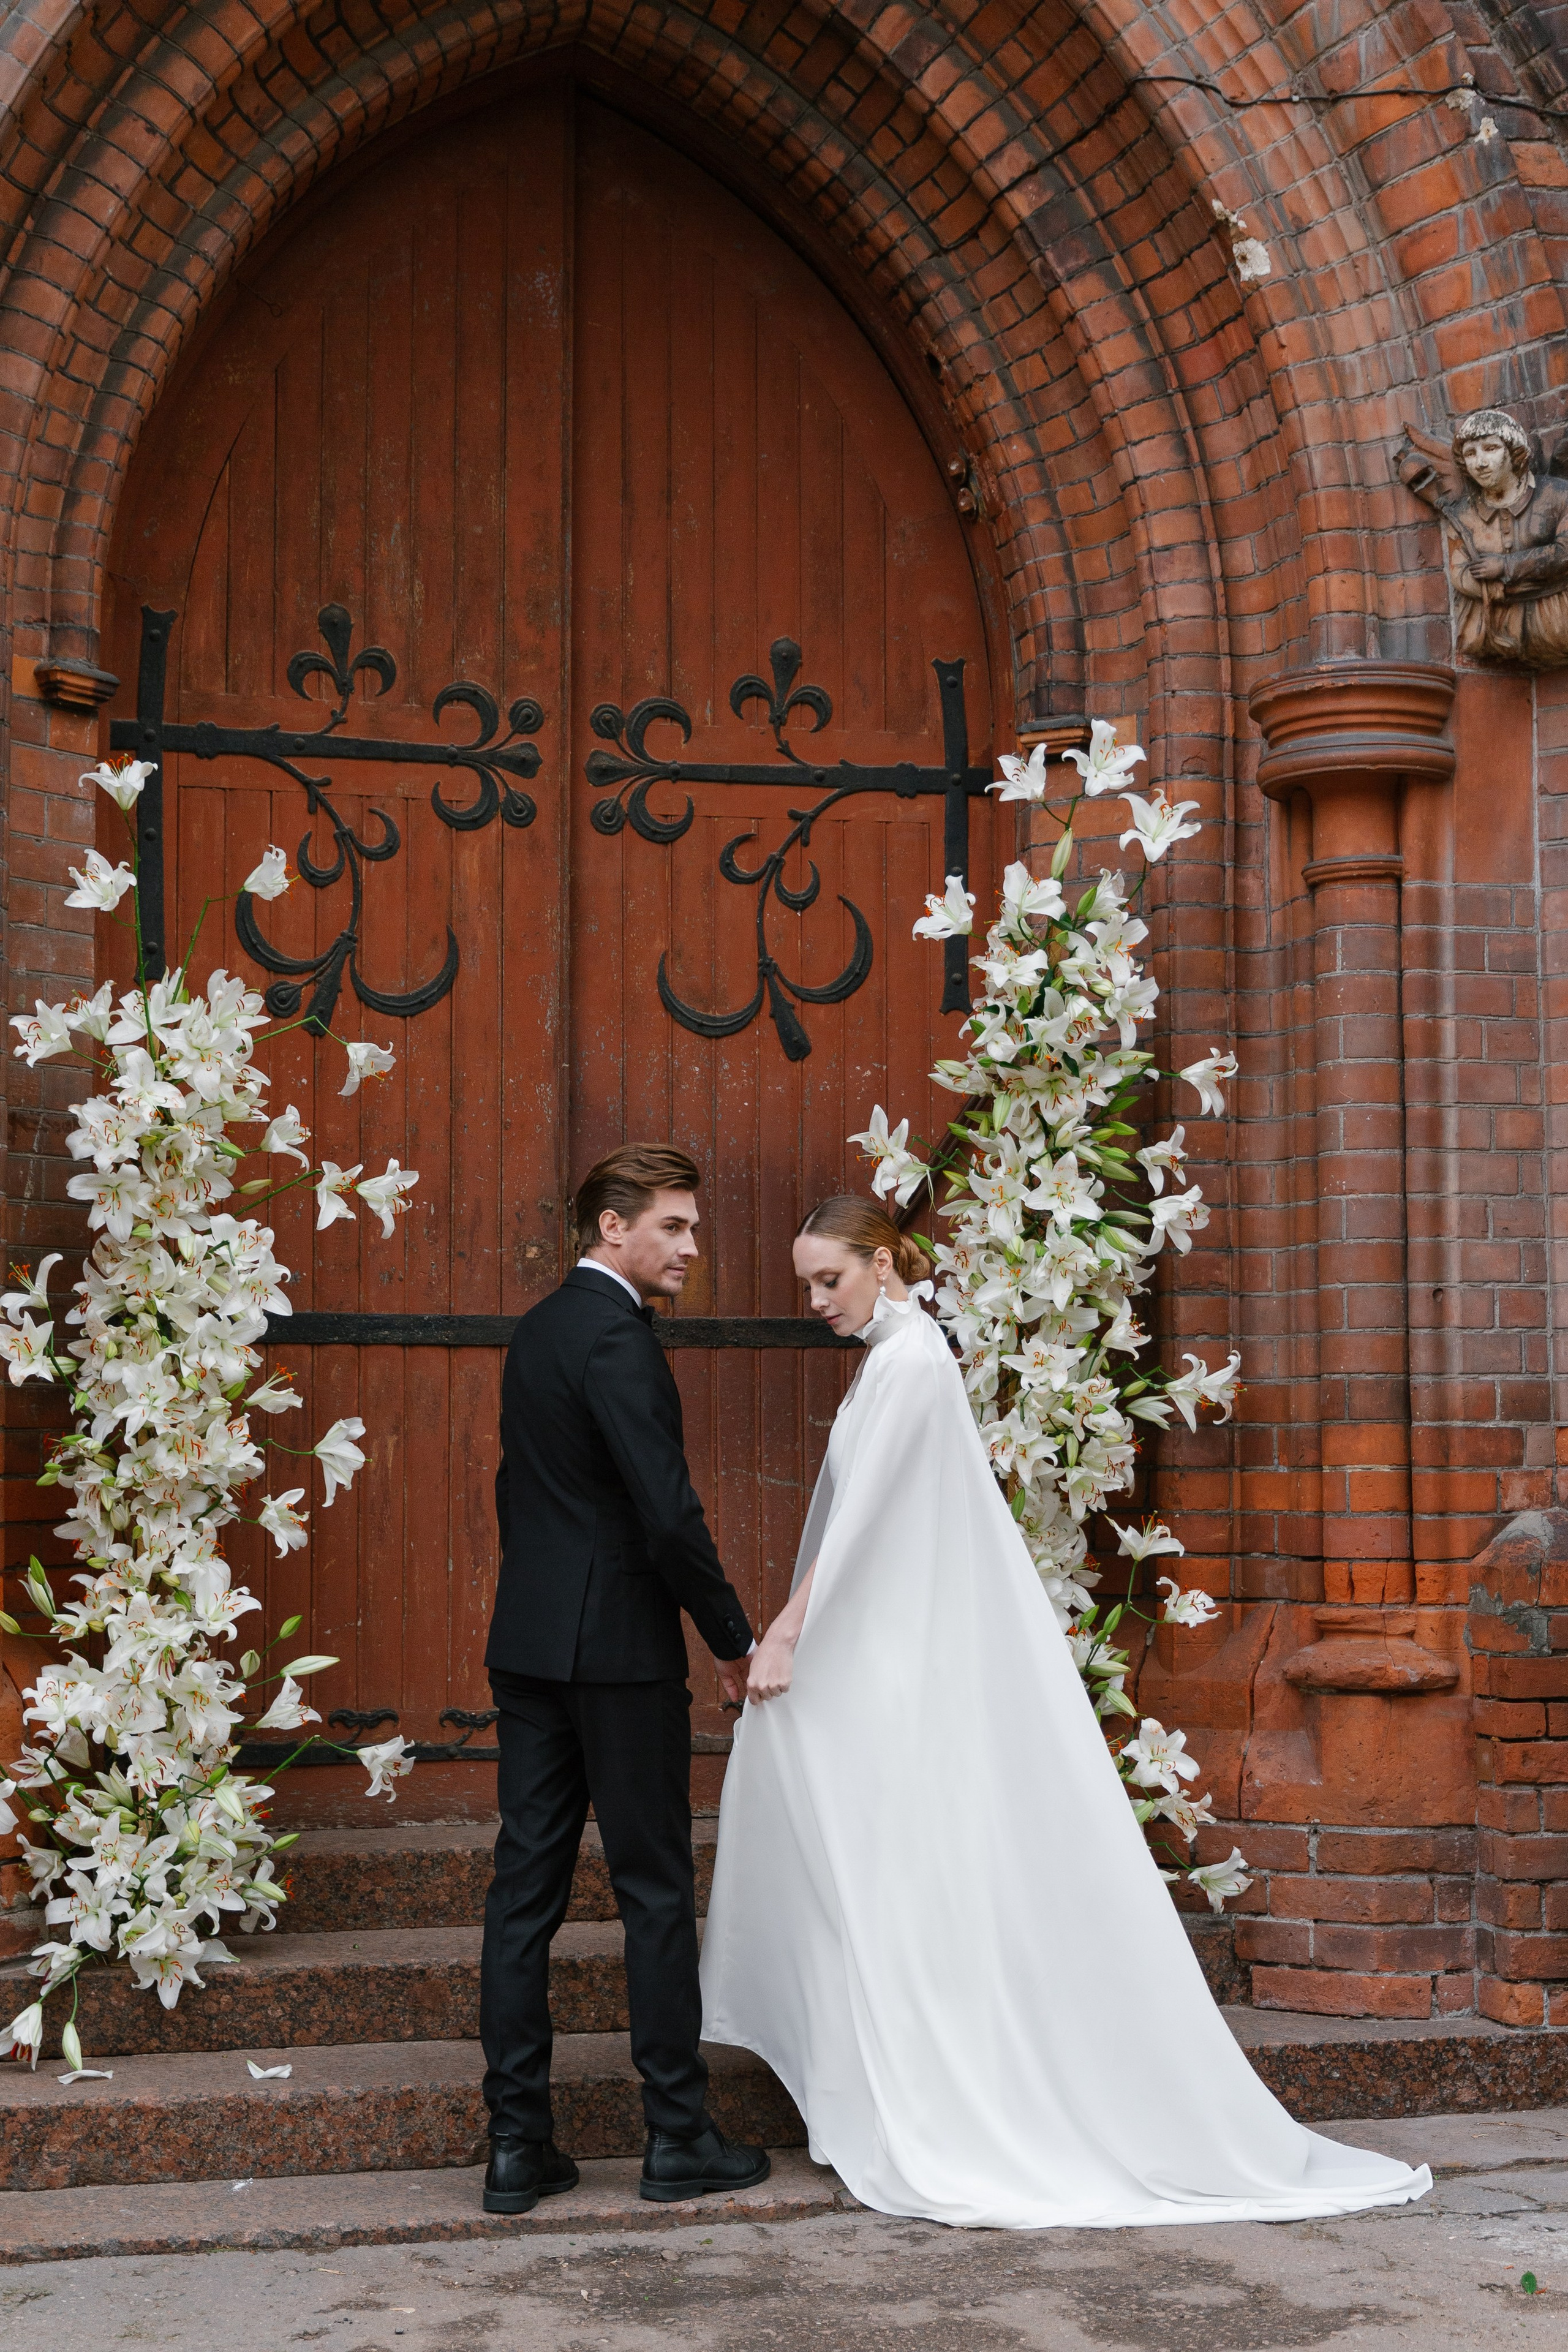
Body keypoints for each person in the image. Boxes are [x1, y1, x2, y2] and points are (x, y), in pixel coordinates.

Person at [699, 1195, 1433, 2230]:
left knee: (856, 1823)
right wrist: (790, 1626)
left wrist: (783, 1634)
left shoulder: (912, 1363)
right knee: (849, 1836)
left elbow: (862, 1527)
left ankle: (910, 2083)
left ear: (881, 1260)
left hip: (898, 1648)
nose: (817, 1301)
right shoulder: (897, 1357)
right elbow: (853, 1520)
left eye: (831, 1279)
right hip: (890, 1642)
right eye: (808, 1286)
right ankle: (864, 2071)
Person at [480, 1142, 769, 2214]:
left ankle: (516, 2147)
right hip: (620, 1659)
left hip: (529, 1645)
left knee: (523, 1897)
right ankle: (677, 2136)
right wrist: (733, 1639)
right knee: (653, 1892)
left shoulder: (541, 1330)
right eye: (675, 1227)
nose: (693, 1246)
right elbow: (667, 1512)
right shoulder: (620, 1339)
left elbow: (521, 1492)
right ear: (614, 1227)